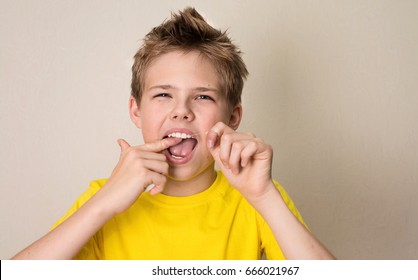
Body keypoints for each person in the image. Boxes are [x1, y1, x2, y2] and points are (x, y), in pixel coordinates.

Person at [12, 7, 335, 260]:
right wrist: (103, 204)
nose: (182, 110)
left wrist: (265, 198)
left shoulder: (257, 198)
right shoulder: (101, 199)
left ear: (233, 116)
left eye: (203, 96)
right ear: (136, 110)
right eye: (163, 94)